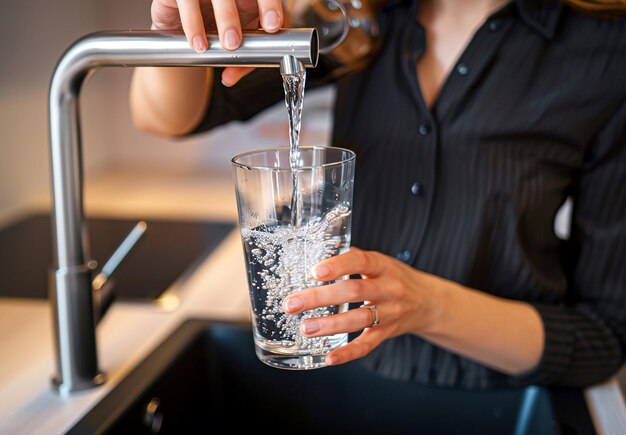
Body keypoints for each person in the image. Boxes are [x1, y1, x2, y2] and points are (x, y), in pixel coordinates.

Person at [130, 0, 626, 389]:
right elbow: (167, 116)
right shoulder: (351, 20)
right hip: (337, 372)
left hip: (495, 391)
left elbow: (603, 336)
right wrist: (179, 35)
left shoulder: (606, 54)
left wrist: (427, 305)